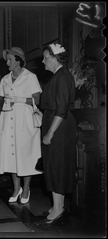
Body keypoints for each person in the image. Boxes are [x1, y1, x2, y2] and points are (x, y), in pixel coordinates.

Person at [0, 47, 43, 205]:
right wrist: (6, 101)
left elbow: (37, 100)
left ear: (18, 60)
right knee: (11, 154)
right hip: (8, 119)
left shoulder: (30, 77)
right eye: (6, 60)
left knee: (25, 155)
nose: (7, 62)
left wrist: (19, 99)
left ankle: (26, 188)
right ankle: (16, 188)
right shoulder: (5, 79)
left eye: (10, 59)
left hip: (24, 120)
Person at [39, 43, 77, 225]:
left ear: (54, 58)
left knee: (57, 166)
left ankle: (58, 208)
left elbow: (61, 109)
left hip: (59, 128)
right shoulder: (60, 76)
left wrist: (50, 133)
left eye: (45, 57)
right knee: (56, 166)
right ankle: (57, 206)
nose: (43, 61)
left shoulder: (62, 77)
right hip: (57, 124)